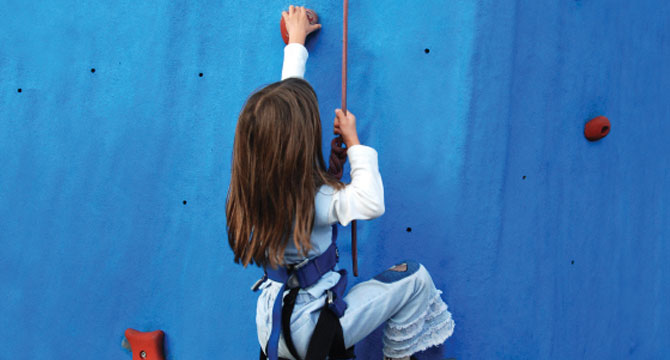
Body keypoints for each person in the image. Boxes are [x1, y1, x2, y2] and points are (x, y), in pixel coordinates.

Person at [226, 6, 455, 360]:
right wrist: (354, 143)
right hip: (312, 327)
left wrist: (296, 44)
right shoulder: (315, 199)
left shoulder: (251, 189)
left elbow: (281, 115)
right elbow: (370, 201)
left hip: (270, 324)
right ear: (299, 143)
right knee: (415, 279)